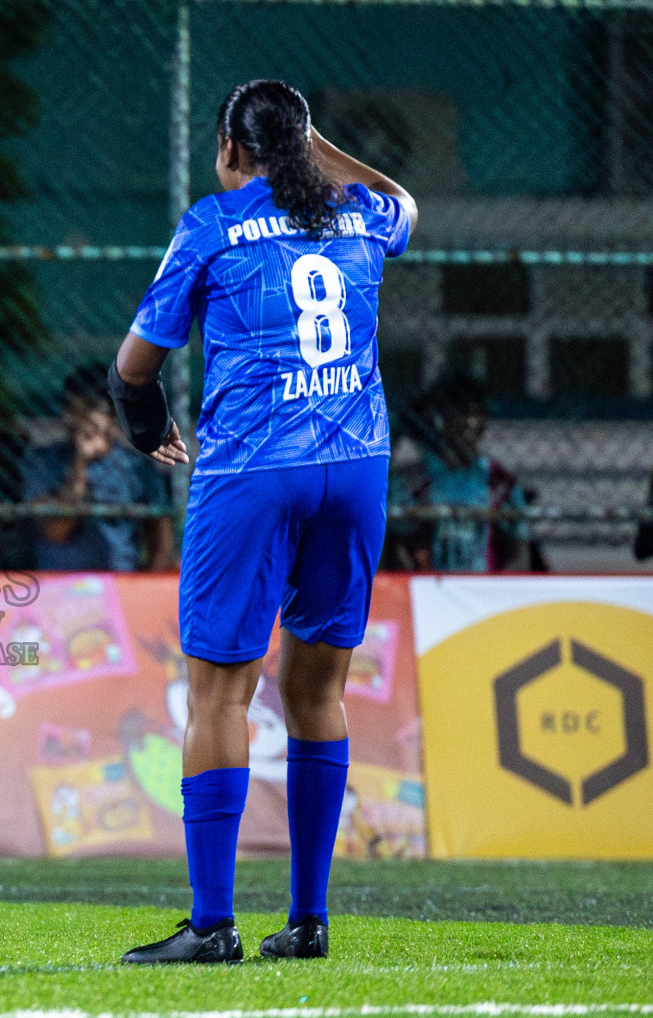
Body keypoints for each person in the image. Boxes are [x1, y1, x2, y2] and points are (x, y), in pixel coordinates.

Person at [107, 80, 416, 963]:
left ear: (231, 151)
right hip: (355, 468)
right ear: (305, 146)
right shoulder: (359, 217)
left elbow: (133, 366)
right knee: (319, 691)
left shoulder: (213, 222)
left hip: (253, 471)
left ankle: (211, 926)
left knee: (220, 694)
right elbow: (407, 204)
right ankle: (310, 920)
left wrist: (141, 419)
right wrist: (319, 147)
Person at [21, 367, 173, 571]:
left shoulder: (138, 468)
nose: (86, 421)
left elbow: (161, 546)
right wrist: (81, 460)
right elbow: (55, 532)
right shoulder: (44, 462)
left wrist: (142, 592)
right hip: (59, 584)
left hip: (119, 585)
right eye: (76, 410)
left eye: (96, 408)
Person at [388, 374, 531, 572]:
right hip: (425, 588)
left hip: (482, 588)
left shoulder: (497, 480)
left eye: (479, 413)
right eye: (463, 412)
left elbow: (517, 549)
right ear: (442, 416)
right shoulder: (412, 478)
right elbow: (397, 547)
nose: (473, 423)